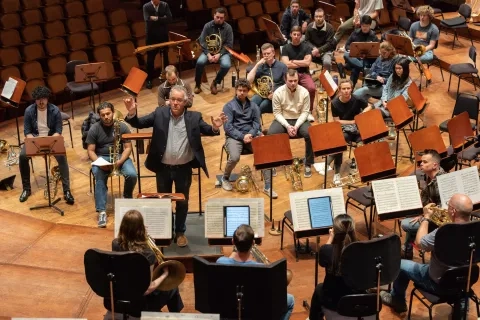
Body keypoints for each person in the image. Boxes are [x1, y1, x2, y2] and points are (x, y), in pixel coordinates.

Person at [124, 85, 227, 248]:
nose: (175, 103)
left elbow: (208, 129)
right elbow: (139, 122)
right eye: (173, 99)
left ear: (185, 102)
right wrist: (131, 113)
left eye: (179, 100)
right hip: (163, 168)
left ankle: (180, 232)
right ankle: (165, 231)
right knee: (163, 202)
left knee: (182, 202)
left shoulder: (194, 117)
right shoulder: (159, 113)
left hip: (183, 169)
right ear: (168, 100)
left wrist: (215, 127)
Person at [380, 193, 473, 315]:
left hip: (439, 285)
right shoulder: (476, 230)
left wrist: (426, 218)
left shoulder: (442, 232)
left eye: (448, 205)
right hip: (465, 283)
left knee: (401, 265)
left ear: (453, 211)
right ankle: (460, 303)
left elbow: (419, 243)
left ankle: (397, 300)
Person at [105, 209, 184, 319]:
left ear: (123, 227)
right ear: (141, 227)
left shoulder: (115, 243)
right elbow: (147, 289)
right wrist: (165, 274)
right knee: (173, 288)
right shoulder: (148, 252)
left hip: (120, 295)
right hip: (140, 304)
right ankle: (177, 317)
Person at [216, 224, 295, 320]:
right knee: (290, 300)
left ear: (233, 241)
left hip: (228, 308)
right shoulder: (263, 269)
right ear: (253, 243)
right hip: (255, 310)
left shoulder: (220, 262)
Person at [18, 86, 75, 205]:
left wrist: (48, 145)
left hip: (51, 139)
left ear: (47, 99)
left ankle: (67, 191)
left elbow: (58, 130)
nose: (41, 101)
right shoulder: (29, 111)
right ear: (35, 100)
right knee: (22, 156)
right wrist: (37, 145)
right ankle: (26, 190)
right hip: (34, 140)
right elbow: (27, 132)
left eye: (43, 98)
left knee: (62, 157)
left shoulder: (54, 110)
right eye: (38, 99)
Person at [86, 102, 137, 228]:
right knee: (98, 175)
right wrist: (99, 163)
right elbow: (90, 150)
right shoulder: (94, 128)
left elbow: (128, 148)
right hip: (102, 157)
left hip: (120, 157)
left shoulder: (122, 126)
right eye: (103, 115)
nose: (106, 117)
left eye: (108, 113)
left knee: (132, 174)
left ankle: (127, 197)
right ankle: (102, 211)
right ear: (99, 116)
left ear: (113, 113)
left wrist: (119, 161)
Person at [309, 214, 370, 320]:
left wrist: (331, 237)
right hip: (356, 301)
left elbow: (322, 259)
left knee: (319, 288)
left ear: (335, 231)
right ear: (353, 230)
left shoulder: (327, 251)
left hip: (333, 302)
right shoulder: (363, 250)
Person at [263, 69, 314, 185]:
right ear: (285, 80)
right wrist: (287, 126)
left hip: (299, 119)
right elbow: (276, 113)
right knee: (270, 135)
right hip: (283, 119)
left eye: (295, 80)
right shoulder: (278, 92)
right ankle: (273, 163)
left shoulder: (304, 92)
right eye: (290, 81)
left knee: (310, 134)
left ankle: (308, 163)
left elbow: (305, 112)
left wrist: (295, 126)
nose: (293, 83)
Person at [221, 79, 266, 193]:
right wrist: (242, 136)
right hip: (234, 137)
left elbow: (256, 124)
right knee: (235, 157)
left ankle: (268, 185)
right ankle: (225, 178)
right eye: (239, 90)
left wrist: (251, 134)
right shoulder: (229, 106)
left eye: (244, 91)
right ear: (236, 90)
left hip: (250, 135)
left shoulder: (254, 106)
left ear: (248, 92)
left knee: (264, 152)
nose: (241, 93)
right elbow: (228, 127)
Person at [401, 149, 446, 259]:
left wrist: (424, 217)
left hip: (439, 221)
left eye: (425, 162)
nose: (421, 164)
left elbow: (443, 209)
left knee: (406, 224)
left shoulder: (440, 182)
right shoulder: (428, 176)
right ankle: (407, 249)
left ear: (435, 165)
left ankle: (407, 249)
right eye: (421, 161)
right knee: (410, 217)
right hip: (429, 212)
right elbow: (426, 199)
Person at [327, 79, 371, 185]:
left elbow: (369, 106)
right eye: (344, 89)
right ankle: (337, 172)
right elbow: (337, 121)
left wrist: (362, 114)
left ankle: (355, 165)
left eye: (348, 88)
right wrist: (351, 121)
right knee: (340, 144)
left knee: (362, 143)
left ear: (351, 89)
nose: (346, 91)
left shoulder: (357, 98)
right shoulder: (335, 103)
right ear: (339, 90)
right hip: (344, 129)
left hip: (357, 129)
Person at [194, 7, 233, 95]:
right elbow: (202, 41)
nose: (219, 19)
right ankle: (197, 84)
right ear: (214, 16)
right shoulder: (207, 26)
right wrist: (208, 54)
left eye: (221, 18)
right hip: (208, 51)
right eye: (217, 17)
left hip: (222, 52)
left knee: (226, 65)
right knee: (200, 62)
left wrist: (219, 54)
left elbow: (229, 44)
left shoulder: (228, 28)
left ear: (224, 18)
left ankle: (215, 83)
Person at [281, 26, 316, 117]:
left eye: (298, 34)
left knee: (311, 88)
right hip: (291, 74)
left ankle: (308, 111)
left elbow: (307, 63)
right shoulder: (285, 48)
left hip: (303, 73)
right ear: (290, 35)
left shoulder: (306, 47)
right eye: (294, 34)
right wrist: (301, 62)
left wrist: (293, 61)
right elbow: (286, 65)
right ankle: (290, 111)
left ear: (301, 36)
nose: (296, 36)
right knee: (288, 90)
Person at [246, 43, 288, 115]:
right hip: (261, 94)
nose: (266, 56)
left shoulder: (282, 66)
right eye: (264, 54)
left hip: (276, 96)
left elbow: (287, 85)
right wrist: (257, 65)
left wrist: (275, 94)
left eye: (268, 53)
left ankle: (253, 124)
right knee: (251, 104)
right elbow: (248, 80)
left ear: (273, 53)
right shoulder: (260, 66)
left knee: (262, 107)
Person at [343, 15, 380, 88]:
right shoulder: (355, 33)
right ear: (361, 25)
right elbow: (347, 45)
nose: (364, 28)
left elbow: (376, 52)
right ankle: (354, 86)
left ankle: (352, 87)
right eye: (363, 26)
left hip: (367, 59)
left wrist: (368, 55)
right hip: (356, 57)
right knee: (346, 55)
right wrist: (352, 49)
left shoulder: (373, 36)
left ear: (370, 25)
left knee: (355, 68)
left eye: (366, 26)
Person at [143, 0, 172, 89]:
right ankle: (149, 80)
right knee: (150, 59)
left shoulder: (165, 5)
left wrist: (156, 18)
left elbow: (169, 18)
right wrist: (162, 18)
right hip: (151, 37)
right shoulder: (146, 6)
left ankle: (169, 78)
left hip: (163, 35)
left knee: (165, 58)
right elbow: (147, 19)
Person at [305, 8, 336, 72]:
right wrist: (314, 49)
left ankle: (326, 80)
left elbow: (329, 44)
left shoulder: (330, 28)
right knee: (301, 58)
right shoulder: (309, 27)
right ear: (314, 17)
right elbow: (307, 40)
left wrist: (319, 50)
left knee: (327, 63)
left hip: (326, 51)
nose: (318, 18)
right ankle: (306, 76)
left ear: (324, 17)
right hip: (313, 50)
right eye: (316, 16)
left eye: (320, 16)